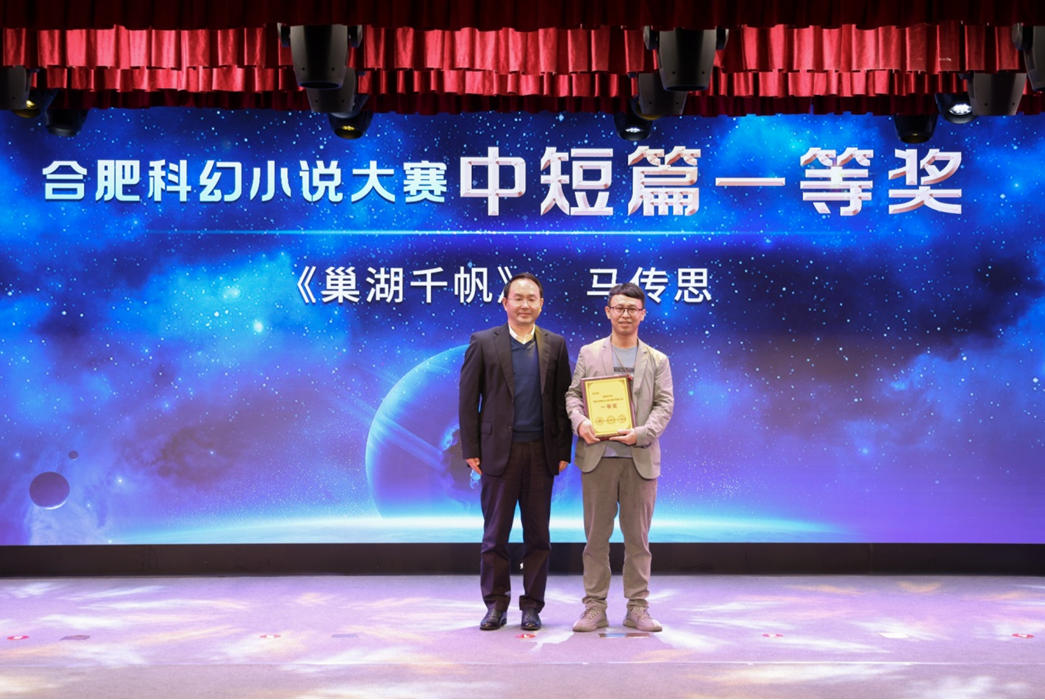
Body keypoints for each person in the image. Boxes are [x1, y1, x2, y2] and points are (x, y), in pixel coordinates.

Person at [458, 272, 572, 631]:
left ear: (541, 304)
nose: (525, 304)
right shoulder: (483, 342)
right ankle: (495, 604)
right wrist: (470, 447)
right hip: (497, 453)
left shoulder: (555, 344)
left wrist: (563, 449)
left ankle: (532, 606)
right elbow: (468, 399)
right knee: (495, 536)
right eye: (518, 298)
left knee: (538, 537)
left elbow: (563, 401)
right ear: (505, 302)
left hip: (541, 453)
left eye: (531, 298)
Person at [565, 282, 674, 633]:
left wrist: (641, 433)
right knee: (595, 539)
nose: (625, 314)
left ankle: (637, 608)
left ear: (642, 314)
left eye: (632, 309)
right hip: (598, 458)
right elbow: (573, 396)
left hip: (639, 459)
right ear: (608, 311)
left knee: (638, 540)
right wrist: (580, 422)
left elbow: (664, 404)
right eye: (619, 307)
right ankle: (594, 606)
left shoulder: (657, 360)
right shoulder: (589, 353)